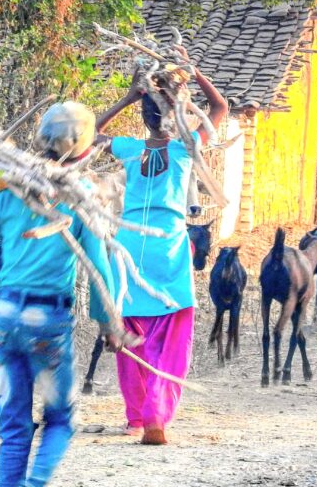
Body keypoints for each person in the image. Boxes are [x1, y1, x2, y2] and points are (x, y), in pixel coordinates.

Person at [0, 101, 120, 487]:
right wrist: (108, 324)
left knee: (14, 428)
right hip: (47, 323)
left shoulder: (9, 188)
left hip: (4, 319)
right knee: (61, 421)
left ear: (41, 138)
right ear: (86, 148)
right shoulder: (81, 195)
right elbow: (98, 268)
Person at [96, 48, 228, 445]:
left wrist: (127, 98)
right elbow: (220, 108)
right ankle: (156, 414)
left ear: (144, 117)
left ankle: (136, 416)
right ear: (177, 116)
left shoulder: (129, 149)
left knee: (131, 327)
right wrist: (195, 73)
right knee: (169, 332)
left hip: (128, 242)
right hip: (167, 242)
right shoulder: (185, 148)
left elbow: (88, 136)